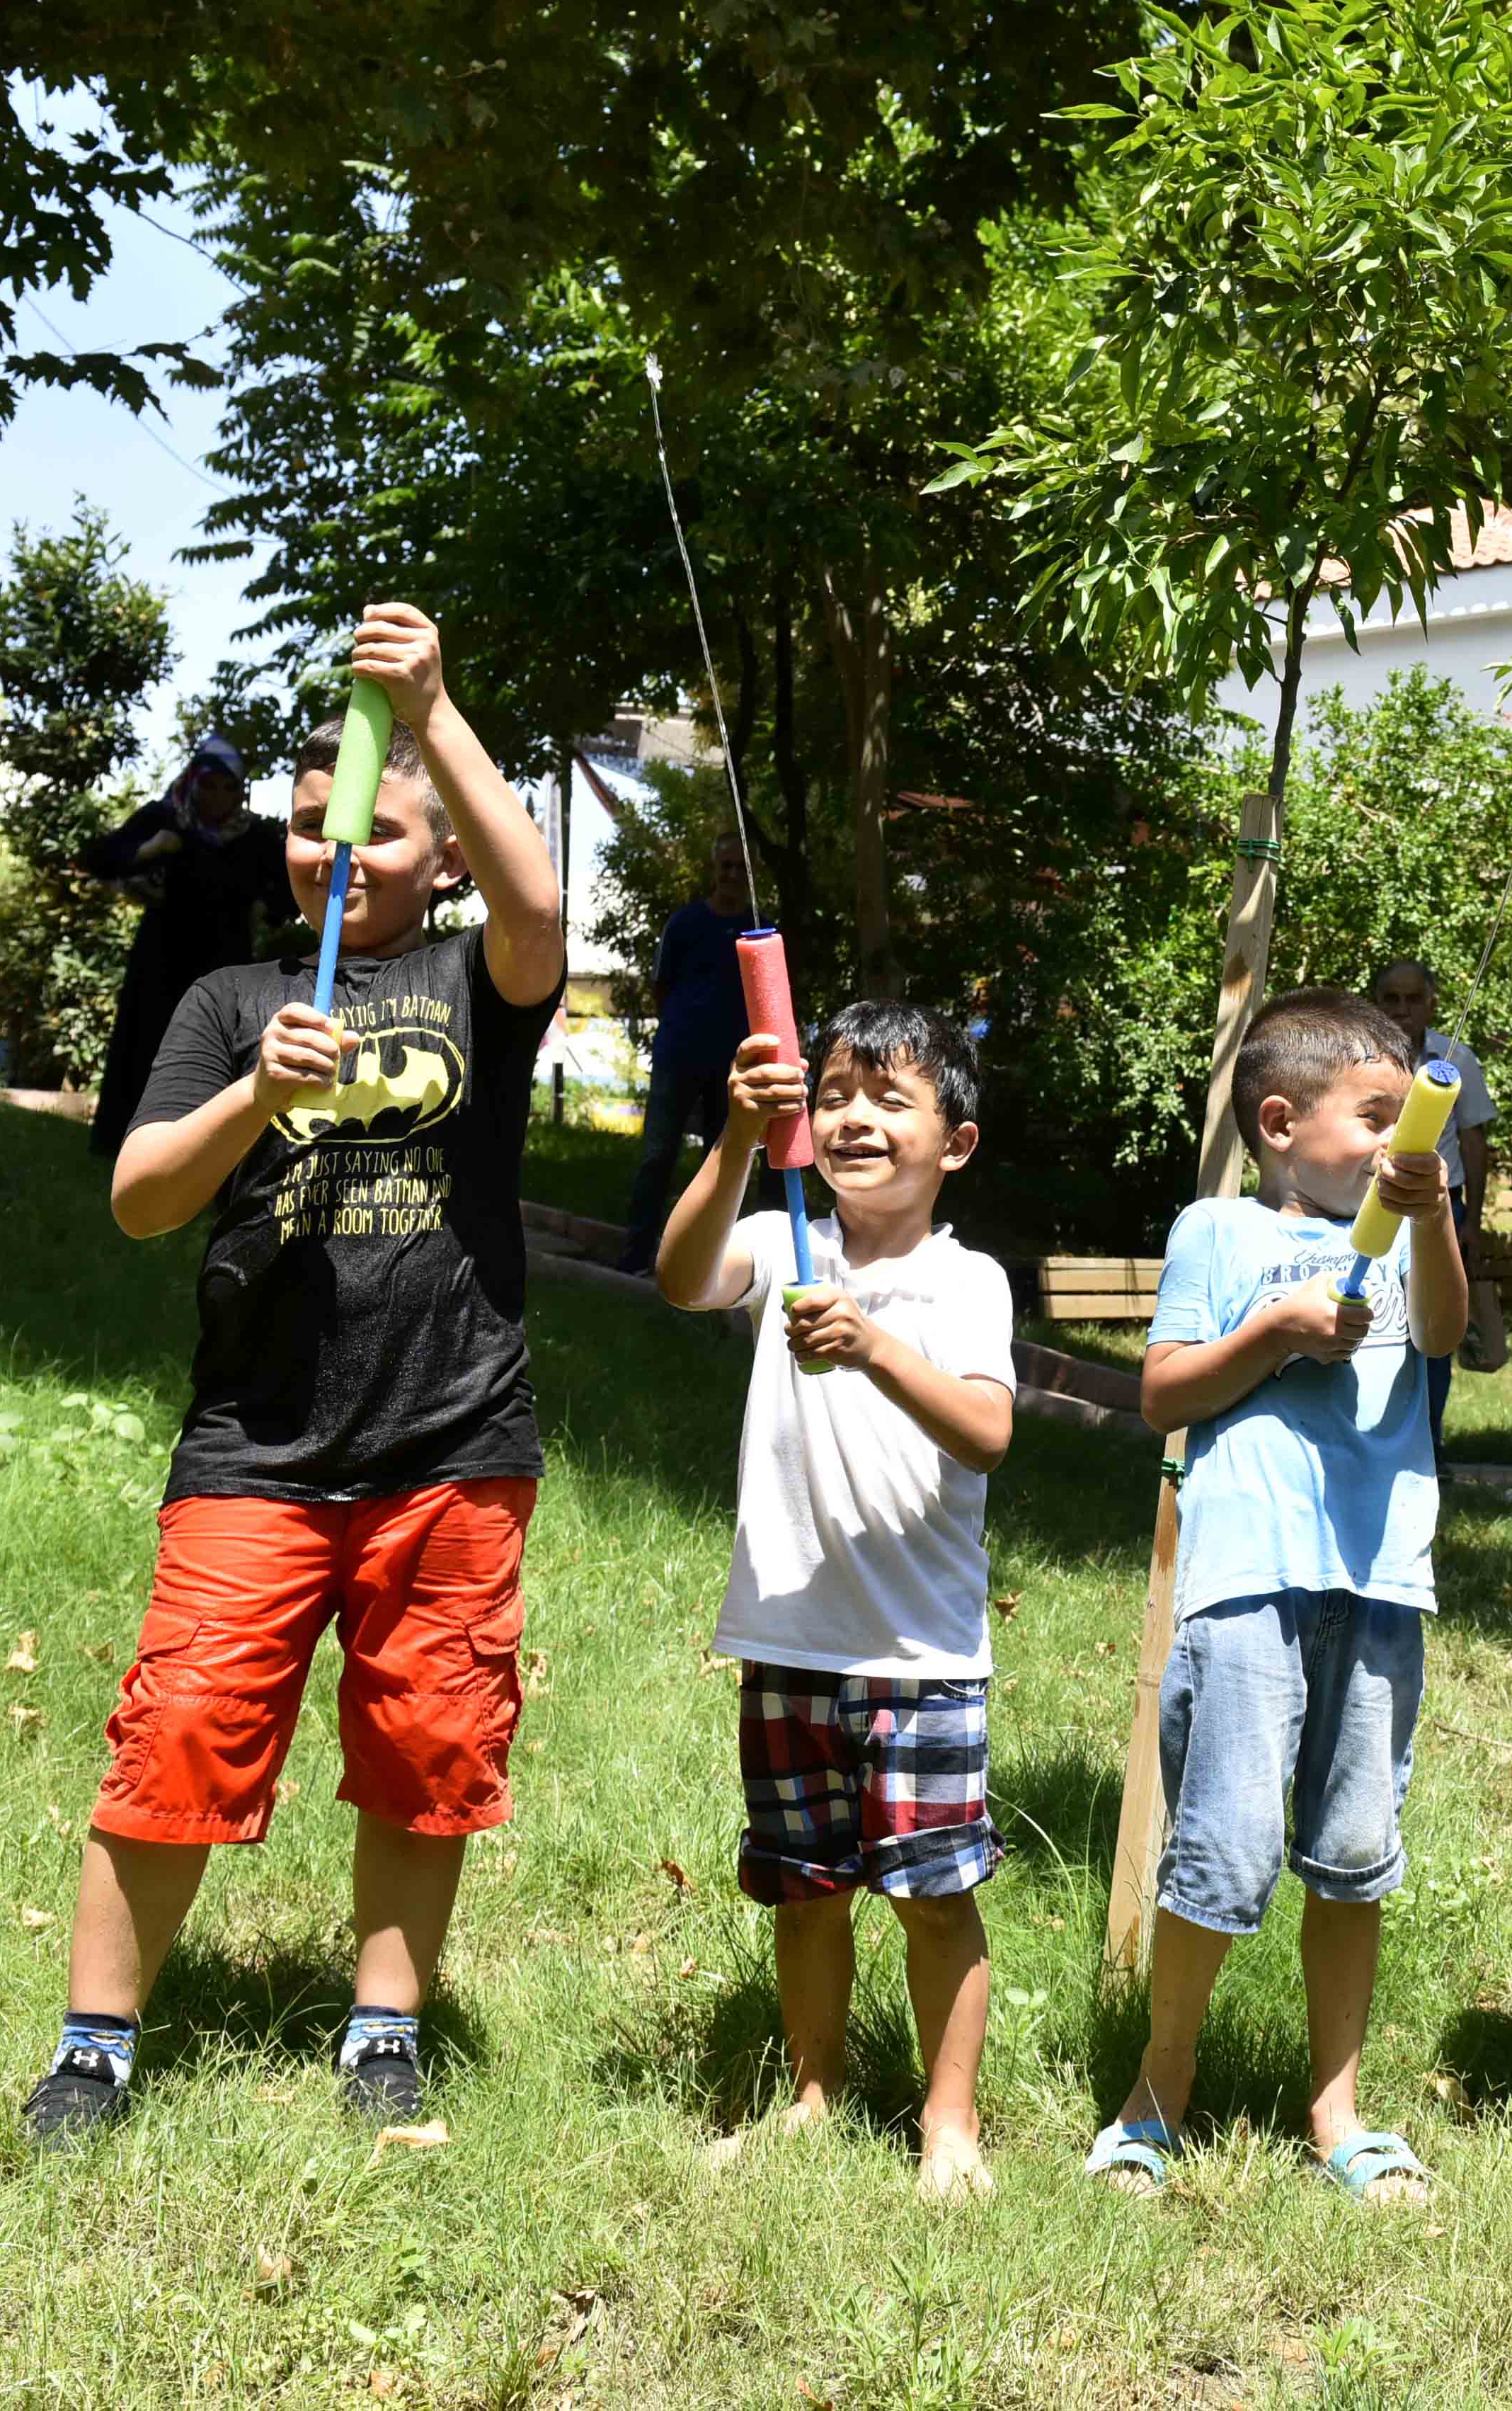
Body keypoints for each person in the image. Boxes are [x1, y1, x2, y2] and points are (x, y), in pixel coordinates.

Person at [23, 605, 563, 2148]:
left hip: (452, 1438)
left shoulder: (478, 985)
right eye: (320, 833)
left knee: (427, 1742)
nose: (341, 858)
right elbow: (140, 1197)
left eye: (381, 837)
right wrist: (257, 1094)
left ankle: (385, 2025)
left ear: (441, 854)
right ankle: (94, 2045)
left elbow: (540, 916)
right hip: (258, 1447)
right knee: (180, 1722)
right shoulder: (234, 1003)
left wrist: (436, 710)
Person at [1087, 990, 1465, 2204]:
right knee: (1224, 1846)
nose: (1400, 1133)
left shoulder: (1407, 1233)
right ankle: (1159, 2086)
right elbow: (1162, 1393)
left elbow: (1450, 1332)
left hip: (1378, 1573)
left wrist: (1436, 1213)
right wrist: (1276, 1328)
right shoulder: (1216, 1231)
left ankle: (1335, 2107)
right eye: (1375, 1114)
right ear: (1280, 1122)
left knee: (1353, 1848)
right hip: (1249, 1576)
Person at [655, 999, 1015, 2196]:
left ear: (953, 1142)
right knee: (803, 1889)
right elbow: (679, 1276)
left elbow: (986, 1430)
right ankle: (814, 2093)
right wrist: (734, 1142)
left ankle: (948, 2123)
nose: (855, 1116)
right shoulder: (778, 1234)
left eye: (889, 1098)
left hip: (921, 1652)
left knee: (932, 1898)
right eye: (836, 1094)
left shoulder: (966, 1281)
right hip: (790, 1635)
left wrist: (871, 1347)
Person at [81, 733, 297, 1159]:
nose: (217, 796)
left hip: (224, 964)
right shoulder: (166, 820)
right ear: (193, 783)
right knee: (143, 1048)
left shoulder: (253, 838)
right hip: (159, 960)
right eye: (208, 785)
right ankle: (122, 1148)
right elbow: (99, 857)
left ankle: (211, 1154)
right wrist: (149, 850)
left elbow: (288, 895)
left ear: (240, 792)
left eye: (228, 787)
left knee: (218, 1055)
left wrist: (263, 910)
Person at [1369, 958, 1495, 1439]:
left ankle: (1428, 1438)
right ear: (1376, 1003)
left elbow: (1474, 1142)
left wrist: (1471, 1222)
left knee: (1434, 1329)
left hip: (1440, 1209)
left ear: (1431, 1003)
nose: (1402, 1010)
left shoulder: (1455, 1060)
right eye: (1391, 999)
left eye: (1413, 999)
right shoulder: (1359, 1059)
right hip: (1374, 1206)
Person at [619, 831, 754, 1272]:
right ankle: (635, 1257)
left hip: (734, 1067)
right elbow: (661, 988)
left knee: (724, 1163)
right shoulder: (684, 924)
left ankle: (714, 1261)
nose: (732, 874)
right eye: (725, 866)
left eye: (739, 866)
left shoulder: (760, 927)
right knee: (657, 1156)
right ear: (714, 870)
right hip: (679, 1055)